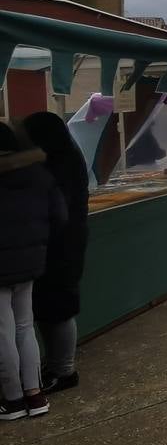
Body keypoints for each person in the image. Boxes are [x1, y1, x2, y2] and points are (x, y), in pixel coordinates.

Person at [0, 123, 64, 420]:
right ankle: (35, 395)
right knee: (25, 327)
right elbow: (58, 216)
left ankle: (11, 400)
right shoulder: (38, 172)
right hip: (30, 263)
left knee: (3, 332)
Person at [22, 112, 89, 394]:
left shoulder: (56, 166)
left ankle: (63, 370)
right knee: (53, 308)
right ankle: (58, 366)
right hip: (62, 244)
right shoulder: (66, 157)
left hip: (59, 247)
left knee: (58, 308)